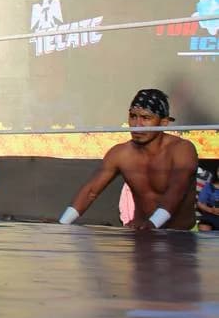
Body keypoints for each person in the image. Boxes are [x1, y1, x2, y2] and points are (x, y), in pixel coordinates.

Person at [60, 89, 198, 230]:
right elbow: (90, 191)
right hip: (142, 236)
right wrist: (62, 224)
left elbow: (177, 190)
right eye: (133, 116)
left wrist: (152, 225)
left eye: (145, 118)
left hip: (180, 236)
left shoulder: (182, 149)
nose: (137, 125)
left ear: (163, 122)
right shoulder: (120, 153)